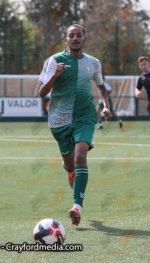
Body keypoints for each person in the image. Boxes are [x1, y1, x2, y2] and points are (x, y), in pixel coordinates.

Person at [39, 24, 112, 226]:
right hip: (59, 120)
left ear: (84, 39)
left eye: (79, 35)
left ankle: (76, 207)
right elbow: (41, 92)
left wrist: (105, 105)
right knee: (70, 164)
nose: (75, 38)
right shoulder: (54, 61)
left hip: (85, 116)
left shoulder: (93, 63)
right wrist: (55, 75)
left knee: (81, 157)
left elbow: (100, 86)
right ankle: (70, 170)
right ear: (66, 40)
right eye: (71, 36)